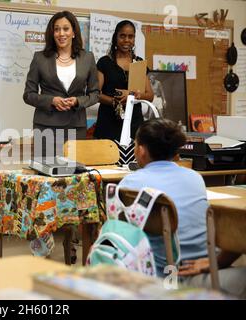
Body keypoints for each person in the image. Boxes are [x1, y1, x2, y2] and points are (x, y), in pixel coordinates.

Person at [118, 118, 246, 298]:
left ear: (140, 150)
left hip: (161, 277)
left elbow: (120, 237)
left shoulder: (129, 184)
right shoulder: (194, 177)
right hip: (208, 270)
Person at [23, 11, 99, 161]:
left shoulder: (87, 58)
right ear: (52, 33)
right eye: (56, 29)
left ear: (74, 32)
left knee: (75, 174)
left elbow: (95, 93)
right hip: (46, 127)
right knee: (45, 174)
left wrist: (78, 101)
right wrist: (51, 101)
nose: (61, 33)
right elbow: (28, 94)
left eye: (66, 29)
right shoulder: (40, 58)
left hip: (76, 127)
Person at [93, 20, 153, 164]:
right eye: (122, 36)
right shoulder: (105, 62)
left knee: (132, 166)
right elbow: (95, 93)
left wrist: (133, 95)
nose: (127, 40)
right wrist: (115, 101)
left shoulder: (139, 63)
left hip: (134, 123)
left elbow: (150, 95)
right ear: (116, 37)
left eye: (130, 36)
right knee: (107, 165)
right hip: (109, 123)